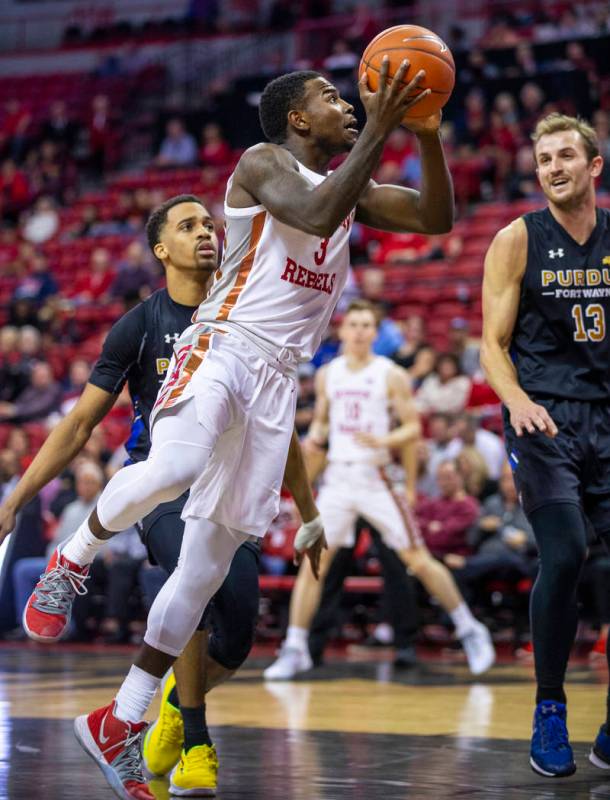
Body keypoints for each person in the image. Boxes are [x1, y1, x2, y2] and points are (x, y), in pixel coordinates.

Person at [14, 61, 454, 799]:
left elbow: (436, 218)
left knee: (207, 567)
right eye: (332, 100)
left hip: (279, 379)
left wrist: (429, 137)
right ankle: (73, 557)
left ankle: (121, 719)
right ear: (296, 120)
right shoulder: (262, 164)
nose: (349, 106)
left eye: (352, 103)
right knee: (175, 463)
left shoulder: (352, 191)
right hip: (226, 345)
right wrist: (381, 128)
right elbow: (312, 217)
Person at [0, 194, 320, 796]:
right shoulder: (141, 325)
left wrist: (310, 512)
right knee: (186, 575)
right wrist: (16, 499)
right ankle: (194, 737)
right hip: (162, 483)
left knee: (239, 631)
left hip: (229, 480)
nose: (206, 232)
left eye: (210, 223)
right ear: (161, 249)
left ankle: (161, 708)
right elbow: (77, 427)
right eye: (188, 225)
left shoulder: (250, 313)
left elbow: (283, 427)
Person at [264, 301, 494, 679]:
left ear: (375, 332)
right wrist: (310, 455)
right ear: (343, 330)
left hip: (376, 477)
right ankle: (295, 647)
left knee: (417, 559)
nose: (357, 331)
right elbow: (321, 427)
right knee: (313, 564)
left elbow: (413, 429)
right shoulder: (328, 374)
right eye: (352, 324)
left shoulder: (389, 374)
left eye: (365, 325)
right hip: (338, 478)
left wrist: (384, 439)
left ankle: (470, 628)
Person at [480, 112, 610, 777]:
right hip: (543, 421)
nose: (553, 167)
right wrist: (519, 401)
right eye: (544, 159)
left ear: (594, 166)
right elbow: (491, 345)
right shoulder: (516, 240)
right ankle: (551, 708)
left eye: (566, 156)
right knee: (565, 552)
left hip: (607, 416)